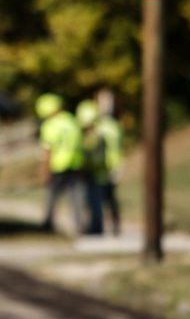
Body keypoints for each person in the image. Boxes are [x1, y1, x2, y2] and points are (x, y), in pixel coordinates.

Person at [36, 93, 87, 233]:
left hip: (57, 165)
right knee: (76, 198)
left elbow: (48, 150)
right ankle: (79, 225)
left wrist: (45, 170)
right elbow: (80, 144)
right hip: (75, 164)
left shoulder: (50, 125)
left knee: (51, 196)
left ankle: (48, 223)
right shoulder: (72, 121)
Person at [93, 94, 124, 235]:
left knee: (108, 198)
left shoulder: (110, 126)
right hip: (104, 166)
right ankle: (105, 225)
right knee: (105, 198)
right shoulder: (105, 125)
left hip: (110, 166)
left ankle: (112, 225)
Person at [75, 100, 106, 235]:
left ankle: (93, 227)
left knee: (91, 201)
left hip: (91, 173)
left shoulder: (94, 136)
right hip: (93, 172)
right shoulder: (97, 135)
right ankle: (92, 226)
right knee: (91, 201)